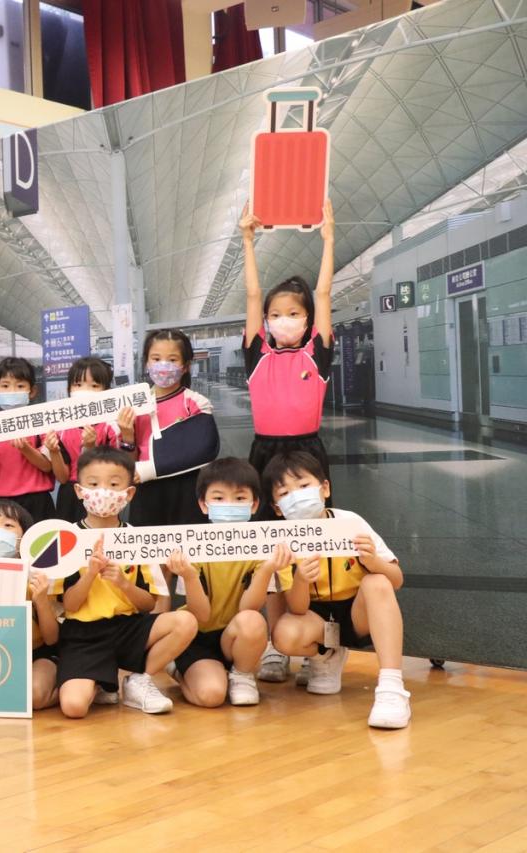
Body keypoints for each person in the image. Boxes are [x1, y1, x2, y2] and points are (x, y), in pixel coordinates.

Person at [240, 199, 337, 683]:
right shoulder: (256, 354)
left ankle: (321, 649)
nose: (282, 319)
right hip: (264, 453)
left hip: (307, 454)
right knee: (272, 551)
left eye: (293, 313)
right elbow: (252, 294)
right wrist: (247, 240)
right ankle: (277, 644)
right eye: (275, 314)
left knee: (316, 549)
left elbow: (324, 290)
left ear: (307, 319)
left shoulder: (317, 353)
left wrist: (329, 239)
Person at [266, 451, 411, 729]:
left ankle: (392, 688)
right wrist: (300, 579)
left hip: (358, 613)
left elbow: (396, 580)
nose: (296, 496)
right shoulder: (281, 541)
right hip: (315, 618)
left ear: (325, 488)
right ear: (277, 508)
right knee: (284, 634)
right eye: (284, 493)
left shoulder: (351, 522)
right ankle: (326, 656)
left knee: (377, 582)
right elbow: (297, 608)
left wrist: (374, 562)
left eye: (304, 485)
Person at [57, 447, 197, 718]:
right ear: (79, 491)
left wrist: (123, 583)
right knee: (74, 708)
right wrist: (89, 575)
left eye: (113, 484)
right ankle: (100, 682)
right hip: (83, 635)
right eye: (93, 484)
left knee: (185, 621)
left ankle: (139, 680)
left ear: (129, 493)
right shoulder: (67, 539)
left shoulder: (136, 539)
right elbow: (69, 605)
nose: (103, 492)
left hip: (128, 628)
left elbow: (148, 604)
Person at [165, 458, 290, 708]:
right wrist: (189, 575)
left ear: (254, 504)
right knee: (211, 696)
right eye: (219, 498)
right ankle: (178, 668)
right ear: (204, 504)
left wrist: (266, 569)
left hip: (236, 637)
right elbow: (201, 614)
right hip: (197, 635)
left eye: (240, 498)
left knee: (253, 620)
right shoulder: (192, 545)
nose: (229, 504)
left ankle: (242, 675)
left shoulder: (262, 546)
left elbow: (248, 609)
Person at [0, 499, 61, 710]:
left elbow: (51, 638)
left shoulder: (37, 578)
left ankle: (67, 686)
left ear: (24, 540)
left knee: (34, 696)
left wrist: (41, 600)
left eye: (8, 525)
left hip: (36, 655)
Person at [128, 329, 218, 526]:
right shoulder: (135, 407)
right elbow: (129, 461)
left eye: (172, 359)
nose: (163, 365)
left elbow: (205, 449)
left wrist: (151, 468)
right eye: (156, 358)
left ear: (185, 366)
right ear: (146, 363)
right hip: (147, 492)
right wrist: (127, 434)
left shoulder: (196, 402)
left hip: (187, 488)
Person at [45, 356, 135, 524]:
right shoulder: (61, 428)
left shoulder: (111, 425)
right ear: (69, 389)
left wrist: (91, 447)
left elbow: (123, 466)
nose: (85, 391)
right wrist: (54, 451)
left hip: (103, 495)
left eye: (94, 386)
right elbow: (62, 478)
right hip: (70, 495)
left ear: (106, 390)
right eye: (78, 385)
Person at [0, 356, 56, 523]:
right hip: (0, 502)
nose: (12, 391)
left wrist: (26, 449)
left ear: (32, 391)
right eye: (5, 386)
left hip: (37, 501)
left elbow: (47, 466)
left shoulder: (41, 422)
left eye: (20, 386)